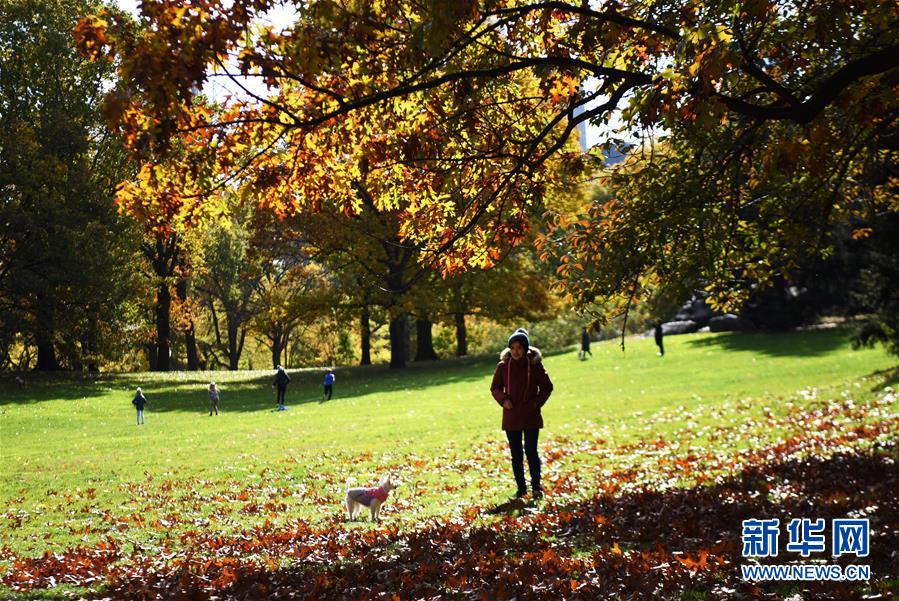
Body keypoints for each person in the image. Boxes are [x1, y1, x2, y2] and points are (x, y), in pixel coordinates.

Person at [490, 328, 553, 499]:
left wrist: (536, 403)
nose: (515, 351)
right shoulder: (503, 366)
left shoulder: (534, 365)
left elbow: (547, 387)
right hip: (511, 416)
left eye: (519, 347)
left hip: (530, 415)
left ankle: (536, 487)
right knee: (516, 454)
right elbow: (495, 387)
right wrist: (503, 400)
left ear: (525, 348)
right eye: (512, 347)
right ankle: (521, 489)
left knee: (531, 451)